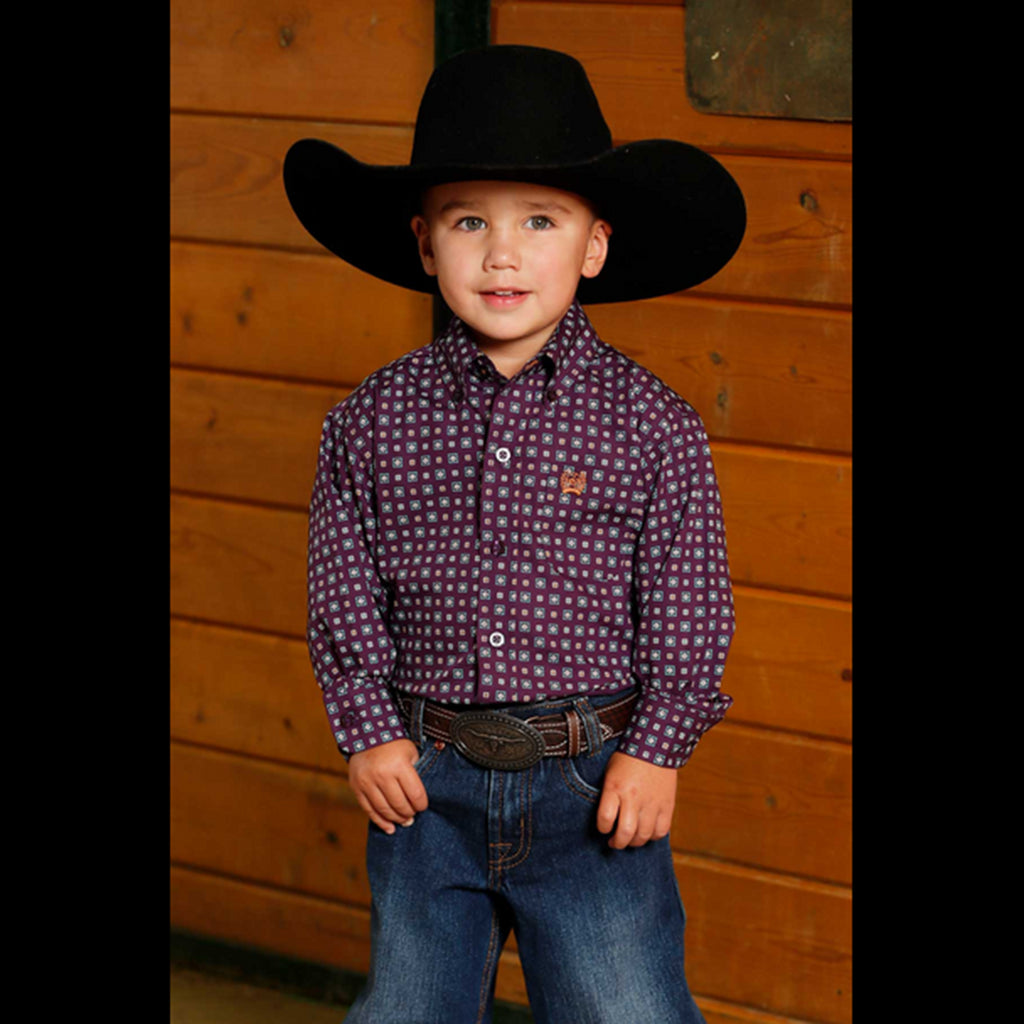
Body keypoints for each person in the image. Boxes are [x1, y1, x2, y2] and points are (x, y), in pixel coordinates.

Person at [283, 44, 745, 1024]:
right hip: (423, 781)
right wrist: (366, 729)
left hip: (591, 788)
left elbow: (689, 597)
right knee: (410, 1005)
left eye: (540, 219)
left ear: (593, 245)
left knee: (625, 1007)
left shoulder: (649, 423)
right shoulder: (370, 420)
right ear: (423, 243)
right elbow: (343, 588)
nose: (501, 253)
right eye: (468, 221)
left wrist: (658, 747)